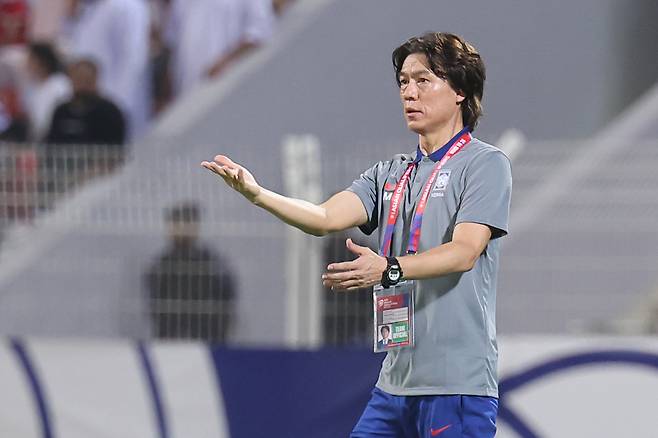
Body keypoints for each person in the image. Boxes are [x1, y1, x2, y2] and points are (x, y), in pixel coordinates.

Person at [202, 32, 512, 437]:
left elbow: (465, 252)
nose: (409, 93)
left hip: (457, 386)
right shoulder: (390, 174)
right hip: (394, 385)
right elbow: (324, 216)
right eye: (403, 82)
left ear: (459, 90)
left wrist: (390, 270)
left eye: (423, 80)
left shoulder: (485, 164)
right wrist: (259, 195)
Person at [145, 201, 236, 343]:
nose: (182, 229)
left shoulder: (210, 262)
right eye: (177, 223)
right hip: (171, 336)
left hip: (208, 335)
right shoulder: (162, 263)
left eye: (187, 223)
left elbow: (225, 298)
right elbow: (155, 302)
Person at [62, 0, 150, 138]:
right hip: (89, 106)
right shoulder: (88, 9)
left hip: (117, 106)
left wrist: (119, 108)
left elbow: (133, 62)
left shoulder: (126, 6)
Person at [165, 0, 274, 96]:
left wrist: (226, 60)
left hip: (226, 89)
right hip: (186, 91)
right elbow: (172, 41)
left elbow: (260, 33)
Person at [46, 59, 126, 146]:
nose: (82, 85)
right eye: (78, 79)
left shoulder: (110, 112)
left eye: (87, 80)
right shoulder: (61, 111)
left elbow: (115, 148)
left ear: (95, 80)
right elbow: (52, 143)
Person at [22, 42, 72, 141]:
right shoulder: (32, 87)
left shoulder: (60, 84)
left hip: (56, 138)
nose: (27, 64)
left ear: (42, 61)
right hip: (38, 139)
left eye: (30, 59)